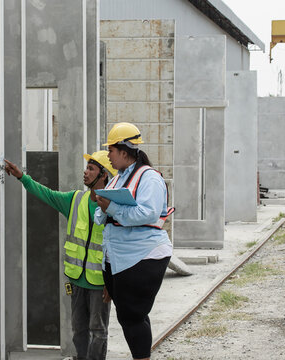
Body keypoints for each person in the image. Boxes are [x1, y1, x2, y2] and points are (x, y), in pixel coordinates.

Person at [4, 151, 117, 360]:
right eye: (87, 167)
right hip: (76, 280)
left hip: (100, 283)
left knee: (98, 330)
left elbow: (119, 249)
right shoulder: (75, 200)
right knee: (79, 329)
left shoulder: (114, 208)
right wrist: (22, 177)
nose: (86, 172)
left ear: (104, 176)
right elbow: (46, 194)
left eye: (91, 169)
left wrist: (111, 283)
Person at [94, 122, 174, 360]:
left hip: (142, 255)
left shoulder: (149, 178)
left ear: (124, 151)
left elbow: (147, 214)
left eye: (111, 150)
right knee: (129, 316)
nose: (108, 155)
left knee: (132, 315)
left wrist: (113, 208)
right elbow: (101, 215)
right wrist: (105, 208)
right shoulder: (117, 178)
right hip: (119, 257)